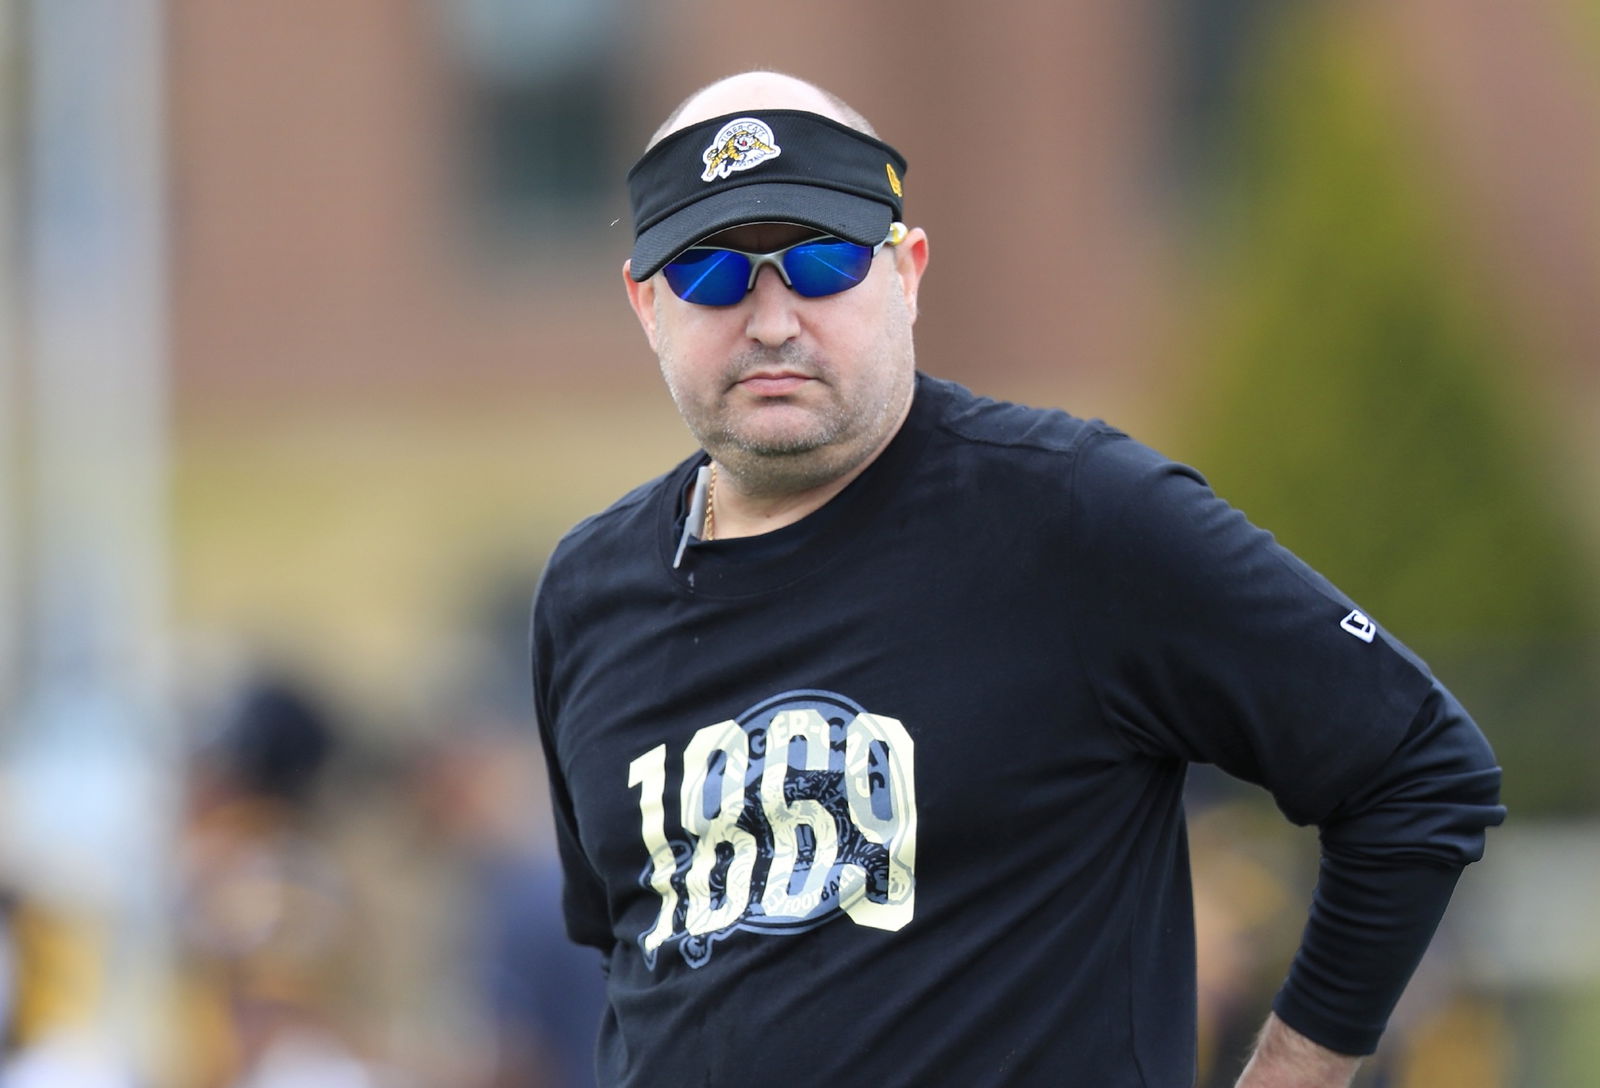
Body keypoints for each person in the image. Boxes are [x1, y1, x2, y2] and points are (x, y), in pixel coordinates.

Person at [529, 70, 1505, 1087]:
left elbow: (1417, 767)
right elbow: (629, 949)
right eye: (712, 275)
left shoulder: (1075, 515)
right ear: (646, 303)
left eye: (822, 261)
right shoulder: (588, 592)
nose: (772, 320)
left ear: (906, 272)